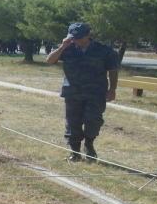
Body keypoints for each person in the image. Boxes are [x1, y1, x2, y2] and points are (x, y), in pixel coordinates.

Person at [46, 22, 119, 163]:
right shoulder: (67, 48)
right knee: (73, 123)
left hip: (96, 92)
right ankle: (75, 152)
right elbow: (49, 60)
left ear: (88, 36)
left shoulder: (103, 51)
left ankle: (89, 144)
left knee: (93, 120)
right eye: (73, 37)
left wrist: (112, 89)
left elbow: (113, 71)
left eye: (79, 37)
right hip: (72, 92)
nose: (76, 40)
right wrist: (62, 46)